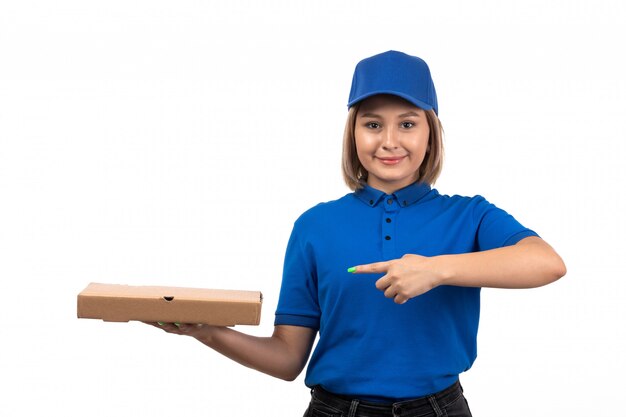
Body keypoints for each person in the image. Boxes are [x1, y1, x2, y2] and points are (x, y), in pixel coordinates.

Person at [147, 50, 566, 417]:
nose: (389, 141)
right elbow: (287, 358)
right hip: (335, 410)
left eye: (406, 124)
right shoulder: (314, 226)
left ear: (430, 132)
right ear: (353, 133)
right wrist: (206, 331)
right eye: (372, 124)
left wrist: (436, 270)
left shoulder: (470, 215)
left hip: (439, 409)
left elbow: (546, 263)